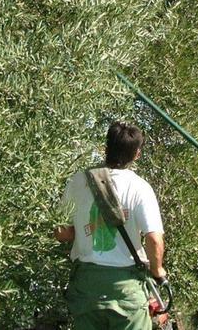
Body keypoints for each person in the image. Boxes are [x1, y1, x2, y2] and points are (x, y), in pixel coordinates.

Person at [54, 121, 166, 330]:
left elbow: (62, 232)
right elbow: (153, 238)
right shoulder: (139, 188)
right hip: (125, 289)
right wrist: (158, 271)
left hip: (86, 286)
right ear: (136, 154)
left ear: (105, 149)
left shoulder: (78, 181)